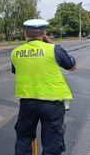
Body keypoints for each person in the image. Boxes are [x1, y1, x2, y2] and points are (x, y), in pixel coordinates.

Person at [11, 19, 77, 155]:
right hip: (52, 104)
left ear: (25, 34)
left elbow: (16, 70)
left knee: (23, 138)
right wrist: (50, 44)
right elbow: (72, 67)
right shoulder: (53, 49)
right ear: (44, 33)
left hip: (27, 102)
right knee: (52, 142)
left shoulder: (15, 52)